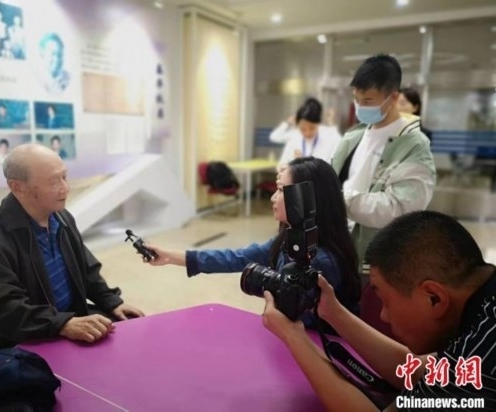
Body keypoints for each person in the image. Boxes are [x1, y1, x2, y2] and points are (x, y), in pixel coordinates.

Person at [262, 210, 496, 411]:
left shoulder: (480, 356)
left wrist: (292, 335)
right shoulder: (482, 311)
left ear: (433, 298)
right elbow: (415, 371)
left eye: (384, 300)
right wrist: (332, 311)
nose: (383, 315)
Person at [0, 144, 145, 364]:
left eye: (64, 177)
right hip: (19, 342)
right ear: (17, 187)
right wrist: (63, 324)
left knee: (131, 343)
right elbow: (5, 311)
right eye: (53, 181)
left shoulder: (61, 217)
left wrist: (112, 302)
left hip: (64, 320)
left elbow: (86, 269)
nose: (65, 188)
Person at [147, 157, 361, 326]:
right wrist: (171, 256)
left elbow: (299, 326)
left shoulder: (320, 262)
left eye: (280, 190)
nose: (272, 198)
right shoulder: (289, 241)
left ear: (305, 200)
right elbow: (236, 257)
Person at [331, 54, 435, 273]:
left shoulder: (414, 145)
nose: (360, 106)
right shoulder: (354, 136)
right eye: (356, 99)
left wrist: (338, 200)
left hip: (377, 260)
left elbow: (398, 208)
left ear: (393, 97)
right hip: (338, 250)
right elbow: (332, 177)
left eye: (368, 101)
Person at [269, 98, 342, 170]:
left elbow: (339, 144)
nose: (307, 132)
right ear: (298, 125)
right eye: (303, 129)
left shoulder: (327, 136)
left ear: (318, 125)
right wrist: (293, 165)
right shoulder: (295, 137)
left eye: (312, 128)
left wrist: (331, 122)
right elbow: (281, 167)